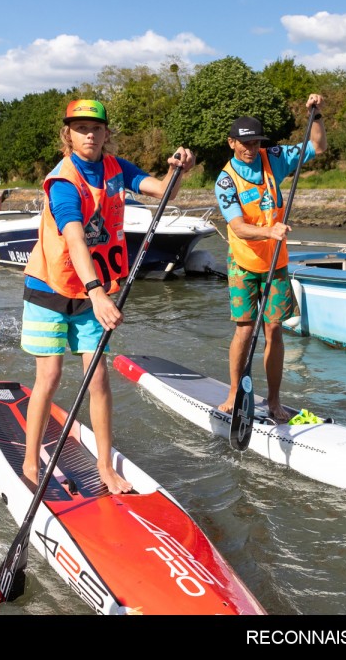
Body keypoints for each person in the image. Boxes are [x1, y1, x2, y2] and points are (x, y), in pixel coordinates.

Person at [21, 99, 195, 494]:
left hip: (92, 292)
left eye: (95, 128)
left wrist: (178, 170)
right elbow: (75, 237)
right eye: (80, 128)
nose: (89, 135)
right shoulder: (63, 181)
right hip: (51, 287)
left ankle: (104, 466)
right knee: (49, 376)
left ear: (105, 133)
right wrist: (97, 292)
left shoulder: (117, 168)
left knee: (98, 377)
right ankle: (31, 465)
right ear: (68, 134)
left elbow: (165, 191)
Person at [215, 94, 327, 422]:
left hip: (276, 261)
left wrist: (316, 115)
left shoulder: (273, 158)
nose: (251, 149)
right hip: (244, 262)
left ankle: (275, 400)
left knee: (274, 330)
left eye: (256, 142)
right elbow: (237, 226)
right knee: (245, 331)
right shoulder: (225, 181)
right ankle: (235, 391)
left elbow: (317, 147)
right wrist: (270, 232)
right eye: (245, 143)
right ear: (232, 143)